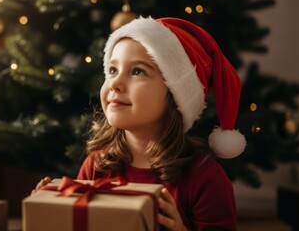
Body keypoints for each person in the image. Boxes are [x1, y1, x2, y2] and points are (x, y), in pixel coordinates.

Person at [34, 17, 246, 231]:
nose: (115, 83)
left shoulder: (204, 177)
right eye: (112, 71)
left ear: (175, 95)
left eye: (137, 72)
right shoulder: (97, 164)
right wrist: (52, 212)